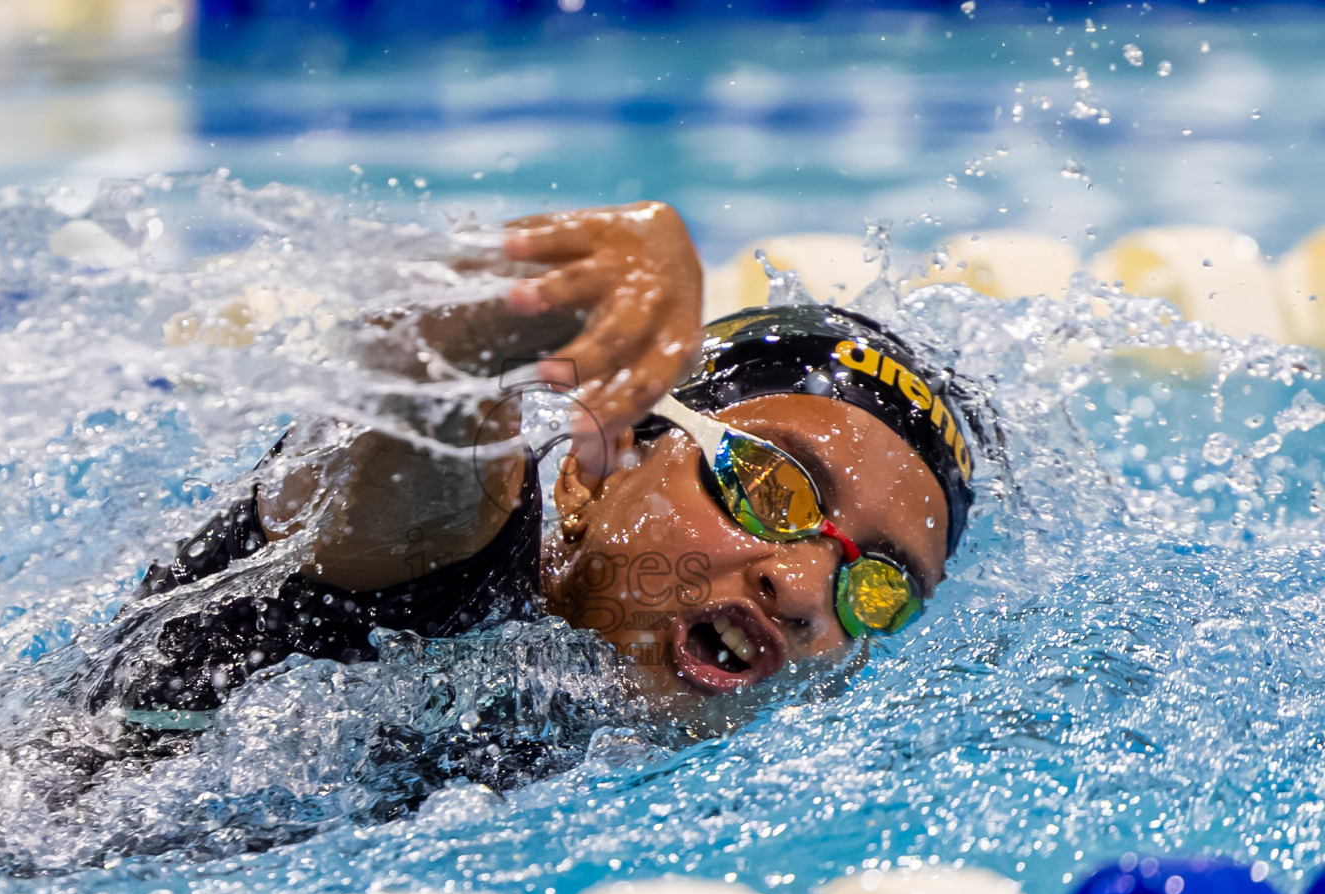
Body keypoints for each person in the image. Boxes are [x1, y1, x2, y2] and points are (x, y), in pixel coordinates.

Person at [87, 201, 988, 738]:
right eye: (768, 487)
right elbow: (418, 369)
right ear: (594, 475)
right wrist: (540, 298)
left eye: (878, 588)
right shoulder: (451, 562)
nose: (802, 588)